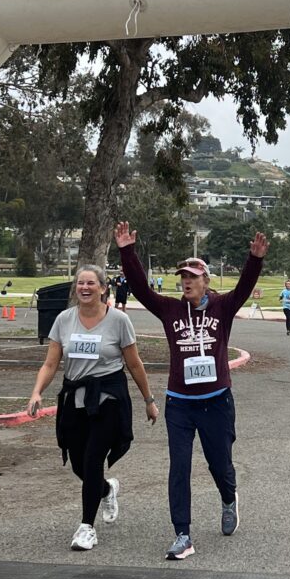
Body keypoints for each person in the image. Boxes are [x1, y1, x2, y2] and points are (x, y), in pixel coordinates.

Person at [114, 221, 269, 560]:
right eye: (182, 278)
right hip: (180, 404)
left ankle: (229, 498)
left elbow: (244, 287)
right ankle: (182, 534)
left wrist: (254, 259)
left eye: (192, 277)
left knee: (219, 464)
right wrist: (127, 252)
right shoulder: (170, 309)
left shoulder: (222, 307)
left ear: (205, 281)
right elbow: (141, 289)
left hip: (216, 401)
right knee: (179, 466)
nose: (186, 282)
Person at [26, 265, 159, 550]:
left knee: (92, 459)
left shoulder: (119, 321)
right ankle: (107, 489)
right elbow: (51, 363)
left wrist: (149, 401)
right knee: (78, 463)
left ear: (102, 288)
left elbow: (134, 364)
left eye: (91, 283)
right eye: (80, 284)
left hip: (107, 397)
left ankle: (87, 527)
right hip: (75, 397)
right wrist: (37, 392)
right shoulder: (64, 319)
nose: (85, 288)